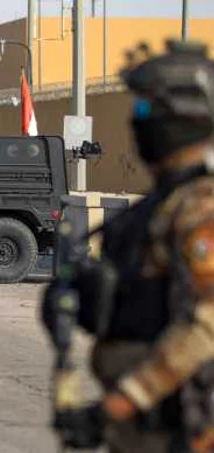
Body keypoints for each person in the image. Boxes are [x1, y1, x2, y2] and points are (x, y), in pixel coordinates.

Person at [42, 40, 214, 453]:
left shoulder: (201, 206)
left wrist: (120, 404)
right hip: (142, 429)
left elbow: (206, 324)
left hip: (183, 428)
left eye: (141, 110)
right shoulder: (164, 201)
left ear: (178, 116)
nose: (135, 122)